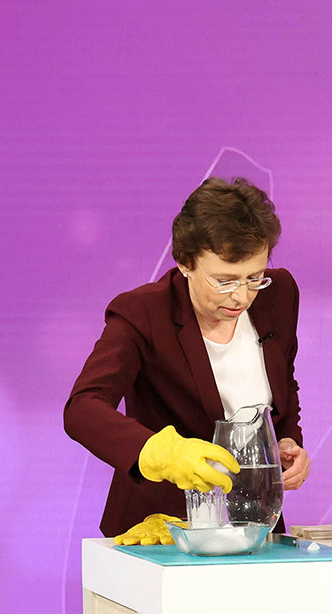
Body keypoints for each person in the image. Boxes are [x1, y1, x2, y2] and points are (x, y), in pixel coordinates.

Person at [65, 177, 310, 543]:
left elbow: (283, 385)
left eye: (254, 277)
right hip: (160, 527)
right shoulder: (142, 312)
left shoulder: (280, 294)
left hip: (255, 523)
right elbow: (82, 408)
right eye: (223, 281)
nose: (241, 296)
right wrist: (163, 453)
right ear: (185, 263)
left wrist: (288, 441)